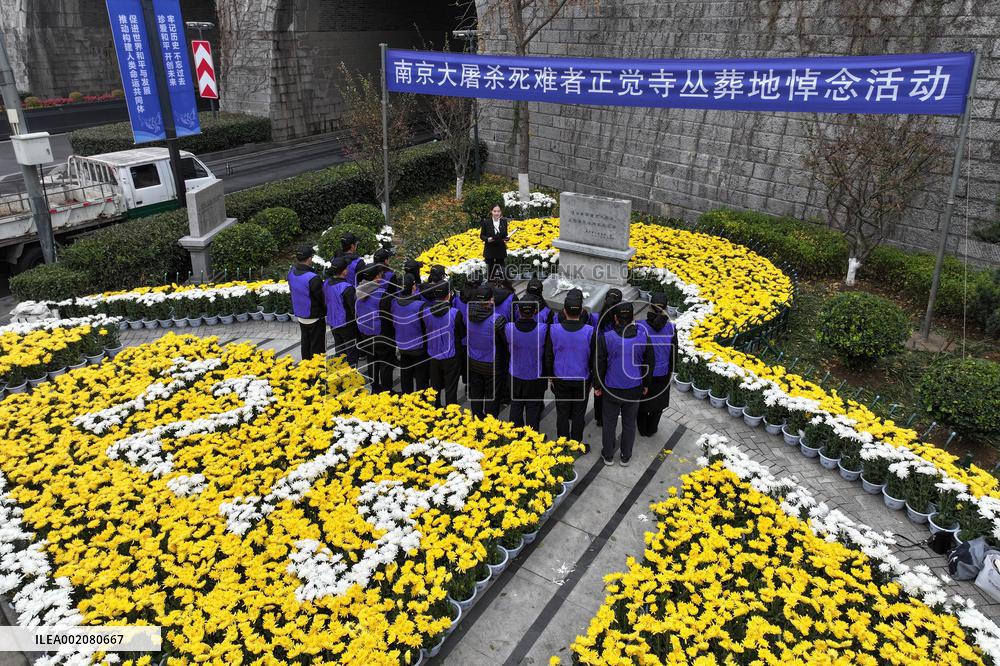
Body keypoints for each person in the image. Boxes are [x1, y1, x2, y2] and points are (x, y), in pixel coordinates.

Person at [595, 301, 653, 467]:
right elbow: (649, 361)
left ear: (615, 318)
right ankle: (625, 456)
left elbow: (599, 364)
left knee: (609, 423)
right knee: (629, 424)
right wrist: (646, 383)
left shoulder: (606, 337)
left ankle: (608, 455)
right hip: (634, 388)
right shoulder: (643, 336)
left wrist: (598, 386)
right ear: (633, 318)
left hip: (612, 388)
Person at [545, 289, 595, 448]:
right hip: (582, 378)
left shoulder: (554, 329)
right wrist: (592, 380)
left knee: (562, 412)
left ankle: (561, 443)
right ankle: (575, 444)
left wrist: (550, 376)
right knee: (579, 413)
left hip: (560, 377)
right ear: (581, 311)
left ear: (564, 311)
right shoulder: (590, 331)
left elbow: (548, 356)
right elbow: (594, 358)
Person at [637, 293, 677, 437]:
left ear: (649, 306)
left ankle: (642, 428)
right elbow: (674, 351)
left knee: (642, 402)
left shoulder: (640, 326)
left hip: (644, 372)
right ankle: (652, 428)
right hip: (663, 372)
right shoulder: (671, 328)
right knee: (658, 403)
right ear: (666, 308)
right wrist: (671, 371)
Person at [466, 284, 508, 419]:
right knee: (492, 397)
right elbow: (505, 342)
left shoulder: (468, 314)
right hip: (492, 365)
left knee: (476, 394)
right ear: (490, 300)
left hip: (473, 361)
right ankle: (489, 425)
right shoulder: (497, 320)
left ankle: (476, 419)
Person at [505, 300, 549, 430]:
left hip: (515, 374)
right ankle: (531, 438)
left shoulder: (509, 328)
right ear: (535, 311)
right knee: (533, 410)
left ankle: (515, 435)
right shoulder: (543, 329)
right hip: (535, 377)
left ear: (519, 311)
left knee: (516, 406)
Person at [423, 281, 465, 407]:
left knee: (434, 386)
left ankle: (434, 409)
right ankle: (451, 414)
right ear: (449, 295)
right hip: (451, 355)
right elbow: (462, 334)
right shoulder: (455, 313)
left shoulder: (426, 311)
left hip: (433, 354)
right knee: (451, 388)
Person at [356, 263, 395, 393]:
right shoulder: (383, 295)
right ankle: (386, 392)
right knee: (385, 363)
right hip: (381, 334)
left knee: (372, 359)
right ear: (377, 277)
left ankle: (374, 388)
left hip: (364, 332)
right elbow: (389, 318)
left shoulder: (358, 290)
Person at [388, 274, 429, 393]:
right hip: (418, 347)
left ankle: (407, 399)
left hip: (402, 344)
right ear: (413, 287)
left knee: (406, 373)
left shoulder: (394, 303)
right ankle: (422, 401)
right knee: (421, 377)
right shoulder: (420, 305)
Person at [288, 245, 326, 361]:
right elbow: (321, 299)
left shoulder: (291, 273)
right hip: (314, 317)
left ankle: (306, 368)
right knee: (317, 348)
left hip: (300, 315)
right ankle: (317, 373)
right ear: (309, 259)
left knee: (305, 343)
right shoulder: (313, 278)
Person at [591, 288, 623, 427]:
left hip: (597, 360)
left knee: (598, 390)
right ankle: (609, 417)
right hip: (613, 363)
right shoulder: (620, 324)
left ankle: (599, 418)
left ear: (605, 300)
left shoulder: (594, 318)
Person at [323, 256, 358, 365]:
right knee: (351, 351)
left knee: (339, 348)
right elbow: (353, 309)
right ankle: (352, 375)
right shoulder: (347, 287)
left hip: (333, 322)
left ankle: (339, 370)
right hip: (346, 323)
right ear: (344, 271)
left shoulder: (326, 283)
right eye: (346, 268)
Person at [453, 275, 483, 386]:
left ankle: (466, 383)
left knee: (465, 362)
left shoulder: (457, 299)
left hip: (462, 338)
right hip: (475, 336)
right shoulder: (478, 300)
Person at [480, 203, 509, 281]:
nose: (497, 213)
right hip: (490, 249)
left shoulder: (504, 222)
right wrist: (487, 239)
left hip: (500, 249)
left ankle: (504, 286)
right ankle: (490, 286)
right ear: (491, 212)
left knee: (502, 270)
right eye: (495, 211)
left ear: (501, 212)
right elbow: (482, 236)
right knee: (490, 272)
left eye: (498, 211)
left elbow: (505, 234)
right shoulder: (486, 222)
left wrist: (506, 238)